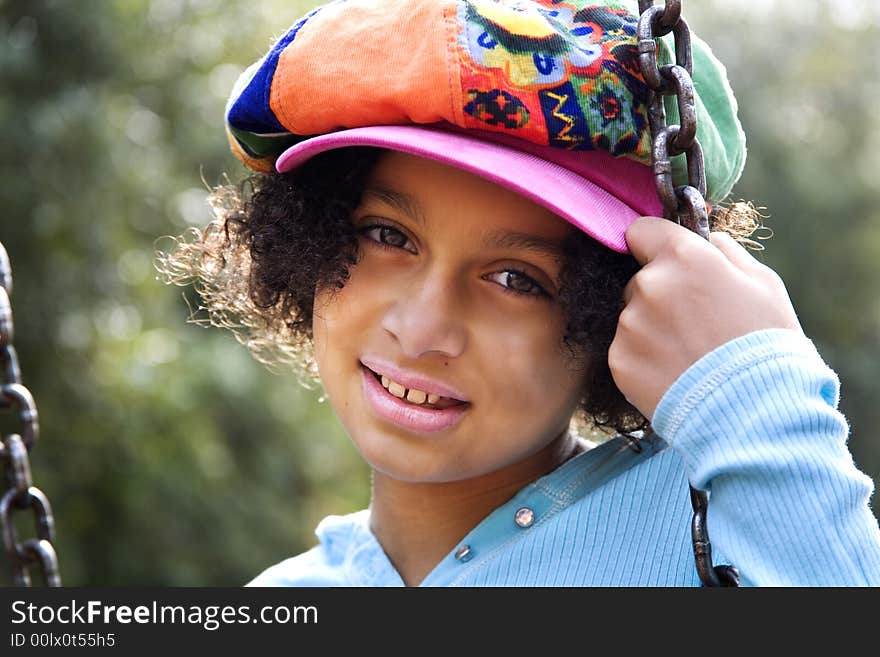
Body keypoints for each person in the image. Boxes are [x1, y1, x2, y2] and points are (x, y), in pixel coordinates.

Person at [157, 0, 880, 586]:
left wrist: (753, 390)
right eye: (387, 236)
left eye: (516, 279)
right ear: (306, 239)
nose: (423, 329)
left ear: (618, 309)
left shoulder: (720, 528)